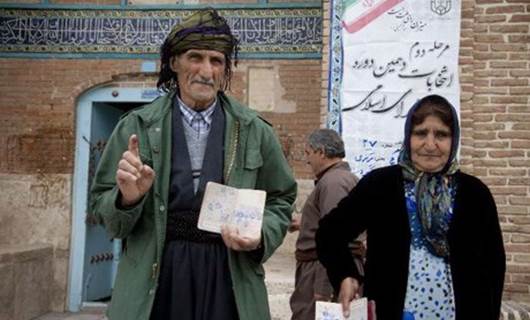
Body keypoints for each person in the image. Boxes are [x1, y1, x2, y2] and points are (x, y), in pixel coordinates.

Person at [90, 8, 297, 320]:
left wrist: (261, 234)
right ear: (174, 62)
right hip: (158, 277)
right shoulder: (136, 127)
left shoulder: (254, 130)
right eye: (195, 57)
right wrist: (127, 198)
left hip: (229, 278)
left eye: (216, 61)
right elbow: (104, 212)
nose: (206, 70)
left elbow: (281, 199)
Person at [316, 94, 506, 320]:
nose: (430, 144)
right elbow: (329, 234)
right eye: (421, 133)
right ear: (408, 137)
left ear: (454, 140)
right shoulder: (381, 186)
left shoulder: (475, 194)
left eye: (441, 135)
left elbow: (493, 267)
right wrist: (346, 275)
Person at [288, 129, 363, 320]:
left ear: (321, 152)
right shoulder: (338, 179)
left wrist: (323, 289)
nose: (307, 160)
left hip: (322, 272)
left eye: (308, 153)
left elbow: (335, 239)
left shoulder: (334, 183)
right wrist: (304, 224)